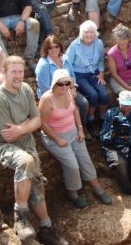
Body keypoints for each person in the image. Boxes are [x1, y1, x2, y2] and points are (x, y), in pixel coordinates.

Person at [0, 56, 66, 244]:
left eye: (21, 72)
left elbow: (37, 120)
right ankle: (20, 215)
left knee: (37, 183)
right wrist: (28, 124)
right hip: (3, 146)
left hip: (26, 143)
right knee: (25, 161)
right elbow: (9, 136)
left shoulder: (26, 89)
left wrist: (22, 127)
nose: (18, 76)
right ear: (4, 72)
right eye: (13, 71)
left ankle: (46, 227)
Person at [38, 69, 111, 208]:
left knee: (85, 160)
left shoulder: (69, 93)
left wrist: (80, 129)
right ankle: (73, 193)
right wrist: (57, 139)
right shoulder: (46, 99)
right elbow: (42, 123)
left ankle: (97, 188)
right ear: (54, 84)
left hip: (73, 131)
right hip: (54, 136)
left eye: (67, 83)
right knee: (72, 165)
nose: (64, 87)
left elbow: (75, 110)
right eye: (61, 84)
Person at [35, 35, 89, 133]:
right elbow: (45, 88)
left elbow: (72, 76)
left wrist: (73, 89)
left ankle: (83, 128)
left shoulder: (65, 59)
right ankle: (69, 130)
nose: (54, 49)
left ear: (60, 47)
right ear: (46, 49)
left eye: (56, 47)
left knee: (84, 103)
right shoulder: (43, 65)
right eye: (50, 47)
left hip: (67, 88)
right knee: (74, 109)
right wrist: (67, 95)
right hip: (51, 94)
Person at [66, 20, 109, 138]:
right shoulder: (75, 45)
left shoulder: (98, 43)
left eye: (91, 32)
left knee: (104, 94)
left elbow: (100, 60)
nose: (89, 35)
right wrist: (70, 82)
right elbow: (67, 63)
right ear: (81, 32)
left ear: (95, 33)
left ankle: (102, 119)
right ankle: (91, 121)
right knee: (93, 95)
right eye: (86, 32)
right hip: (79, 74)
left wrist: (101, 73)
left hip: (94, 73)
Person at [100, 90, 131, 200]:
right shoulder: (111, 113)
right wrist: (112, 134)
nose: (124, 107)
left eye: (127, 104)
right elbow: (102, 137)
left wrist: (127, 137)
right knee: (120, 163)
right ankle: (130, 193)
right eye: (123, 103)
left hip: (129, 145)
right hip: (112, 146)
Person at [107, 23, 131, 115]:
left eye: (124, 39)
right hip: (118, 81)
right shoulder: (111, 53)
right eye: (119, 39)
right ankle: (129, 123)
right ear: (115, 39)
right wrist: (128, 88)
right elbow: (114, 74)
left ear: (128, 38)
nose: (122, 42)